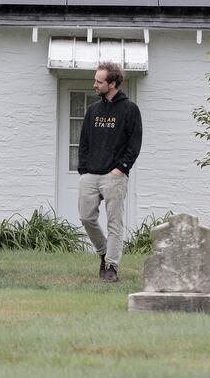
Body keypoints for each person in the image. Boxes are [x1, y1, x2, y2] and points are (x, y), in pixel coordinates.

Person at [78, 62, 142, 282]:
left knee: (114, 223)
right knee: (86, 218)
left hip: (114, 175)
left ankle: (111, 267)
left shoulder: (129, 109)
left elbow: (134, 144)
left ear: (112, 84)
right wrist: (83, 169)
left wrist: (121, 169)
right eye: (95, 80)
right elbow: (84, 142)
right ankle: (104, 253)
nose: (94, 84)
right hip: (90, 174)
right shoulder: (93, 111)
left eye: (99, 81)